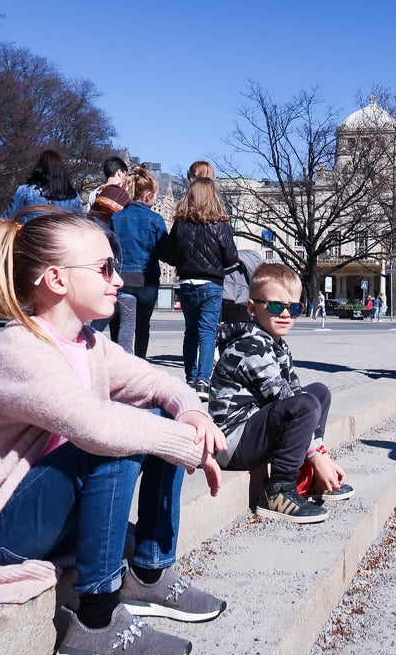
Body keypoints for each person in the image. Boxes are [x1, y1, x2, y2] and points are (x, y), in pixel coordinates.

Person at [0, 211, 227, 655]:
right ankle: (96, 620)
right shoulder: (21, 352)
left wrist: (192, 414)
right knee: (120, 437)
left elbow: (159, 384)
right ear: (56, 279)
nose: (119, 280)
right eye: (105, 269)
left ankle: (150, 571)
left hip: (48, 513)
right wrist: (191, 446)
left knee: (156, 417)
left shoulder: (89, 343)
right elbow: (98, 427)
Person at [210, 263, 352, 523]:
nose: (286, 314)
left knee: (318, 393)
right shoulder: (249, 347)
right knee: (305, 405)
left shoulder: (276, 344)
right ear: (253, 308)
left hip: (254, 427)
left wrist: (321, 453)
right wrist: (317, 457)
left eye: (294, 308)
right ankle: (279, 490)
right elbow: (285, 400)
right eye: (275, 306)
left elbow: (295, 391)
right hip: (231, 442)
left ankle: (309, 477)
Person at [162, 177, 238, 398]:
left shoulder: (180, 225)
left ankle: (190, 377)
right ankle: (203, 381)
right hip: (211, 284)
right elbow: (231, 257)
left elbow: (169, 255)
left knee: (190, 332)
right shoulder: (221, 225)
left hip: (186, 283)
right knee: (207, 333)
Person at [110, 165, 167, 359]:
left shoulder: (116, 217)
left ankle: (125, 365)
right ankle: (140, 362)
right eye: (156, 195)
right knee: (143, 326)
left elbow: (110, 250)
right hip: (148, 279)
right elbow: (164, 253)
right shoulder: (155, 219)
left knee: (125, 326)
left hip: (124, 279)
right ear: (148, 195)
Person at [3, 149, 85, 222]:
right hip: (63, 234)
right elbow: (81, 225)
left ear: (39, 168)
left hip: (31, 234)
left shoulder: (25, 191)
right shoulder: (73, 196)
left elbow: (6, 219)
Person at [87, 155, 131, 223]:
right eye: (125, 174)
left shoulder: (93, 193)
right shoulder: (127, 192)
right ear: (119, 172)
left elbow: (89, 217)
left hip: (97, 228)